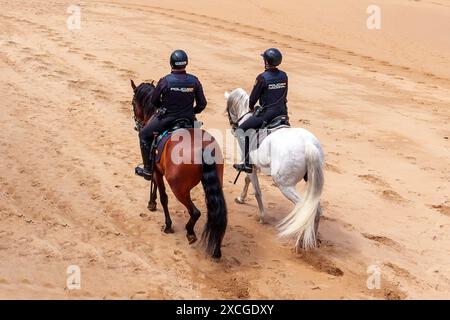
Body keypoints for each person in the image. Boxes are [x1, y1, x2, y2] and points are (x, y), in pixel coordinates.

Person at [135, 50, 207, 180]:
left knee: (144, 135)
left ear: (171, 64)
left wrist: (164, 107)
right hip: (189, 120)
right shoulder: (194, 81)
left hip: (167, 119)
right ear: (186, 64)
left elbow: (154, 101)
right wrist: (191, 111)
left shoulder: (165, 81)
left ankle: (147, 170)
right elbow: (202, 104)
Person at [233, 48, 288, 173]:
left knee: (241, 130)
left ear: (266, 61)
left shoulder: (262, 78)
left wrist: (252, 107)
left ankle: (247, 163)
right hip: (282, 114)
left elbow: (252, 99)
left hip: (267, 115)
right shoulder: (284, 76)